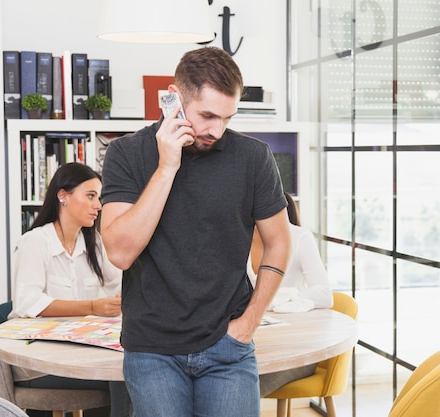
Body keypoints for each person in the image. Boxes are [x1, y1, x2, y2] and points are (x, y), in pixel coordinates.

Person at [99, 46, 291, 417]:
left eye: (227, 117)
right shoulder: (126, 153)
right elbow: (121, 252)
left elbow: (279, 242)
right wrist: (167, 166)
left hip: (228, 346)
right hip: (151, 349)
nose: (216, 130)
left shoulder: (254, 158)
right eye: (207, 115)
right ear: (174, 97)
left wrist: (249, 321)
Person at [8, 162, 133, 417]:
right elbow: (27, 302)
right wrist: (92, 307)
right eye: (90, 196)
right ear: (63, 196)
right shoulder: (35, 242)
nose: (98, 205)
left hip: (79, 355)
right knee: (125, 377)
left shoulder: (95, 245)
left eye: (99, 197)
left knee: (134, 369)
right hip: (39, 364)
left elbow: (121, 283)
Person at [248, 192, 333, 396]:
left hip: (295, 351)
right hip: (256, 343)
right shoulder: (241, 238)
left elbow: (324, 294)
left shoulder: (300, 238)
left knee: (240, 385)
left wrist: (283, 299)